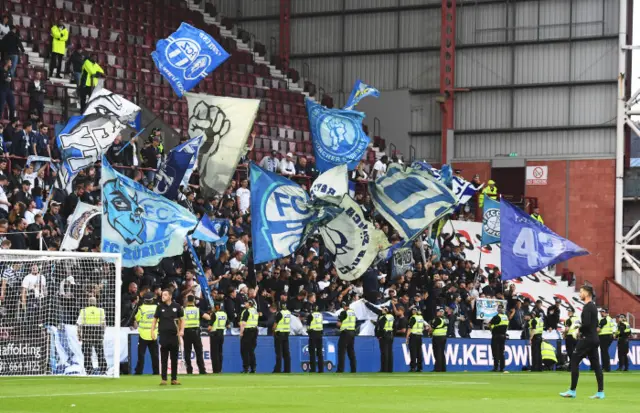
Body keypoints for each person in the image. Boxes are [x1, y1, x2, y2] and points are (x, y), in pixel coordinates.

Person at [560, 285, 604, 399]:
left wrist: (578, 330)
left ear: (587, 293)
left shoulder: (588, 307)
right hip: (594, 339)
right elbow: (593, 324)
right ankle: (600, 392)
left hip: (587, 339)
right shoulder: (593, 307)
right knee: (596, 365)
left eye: (581, 292)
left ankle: (572, 391)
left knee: (574, 360)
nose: (579, 294)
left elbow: (588, 323)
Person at [151, 289, 184, 385]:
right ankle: (164, 379)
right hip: (163, 336)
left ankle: (174, 379)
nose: (163, 296)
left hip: (174, 336)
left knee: (174, 359)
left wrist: (182, 330)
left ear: (170, 296)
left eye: (165, 295)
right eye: (162, 295)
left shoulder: (177, 306)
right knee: (164, 358)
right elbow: (154, 320)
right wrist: (152, 331)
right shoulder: (159, 307)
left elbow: (182, 320)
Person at [77, 296, 107, 375]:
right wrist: (103, 333)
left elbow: (79, 324)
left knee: (87, 353)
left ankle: (89, 370)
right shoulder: (101, 311)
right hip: (97, 331)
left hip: (87, 332)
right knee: (100, 352)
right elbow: (104, 323)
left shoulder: (83, 311)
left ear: (88, 303)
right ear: (96, 302)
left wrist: (79, 334)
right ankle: (103, 370)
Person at [134, 292, 159, 375]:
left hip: (143, 335)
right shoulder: (156, 307)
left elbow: (137, 318)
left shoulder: (141, 308)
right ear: (152, 300)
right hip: (153, 334)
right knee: (155, 356)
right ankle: (156, 372)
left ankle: (139, 372)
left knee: (141, 355)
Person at [182, 295, 206, 375]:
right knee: (199, 352)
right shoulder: (197, 310)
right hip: (196, 332)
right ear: (194, 300)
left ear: (187, 300)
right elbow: (208, 317)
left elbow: (179, 321)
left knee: (187, 352)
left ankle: (189, 370)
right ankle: (202, 370)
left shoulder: (183, 310)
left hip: (186, 332)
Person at [336, 301, 357, 373]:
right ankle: (353, 370)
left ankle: (340, 369)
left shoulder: (343, 312)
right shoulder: (353, 313)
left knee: (341, 351)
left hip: (345, 333)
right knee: (351, 352)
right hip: (352, 333)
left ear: (344, 306)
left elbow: (339, 324)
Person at [208, 302, 228, 374]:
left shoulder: (214, 314)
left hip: (214, 334)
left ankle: (215, 370)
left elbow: (209, 327)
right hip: (221, 334)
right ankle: (220, 369)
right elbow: (228, 325)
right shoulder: (224, 314)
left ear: (216, 307)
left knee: (214, 353)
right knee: (220, 352)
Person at [239, 299, 258, 373]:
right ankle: (253, 368)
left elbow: (243, 323)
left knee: (244, 350)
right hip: (254, 331)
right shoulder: (255, 311)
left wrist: (241, 333)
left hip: (247, 332)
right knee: (251, 351)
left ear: (249, 304)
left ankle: (246, 368)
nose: (244, 303)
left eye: (246, 302)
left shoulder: (247, 311)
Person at [489, 304, 509, 372]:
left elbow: (490, 324)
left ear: (498, 310)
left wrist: (492, 330)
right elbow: (506, 327)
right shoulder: (506, 317)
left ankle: (496, 367)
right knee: (501, 353)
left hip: (496, 336)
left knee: (495, 352)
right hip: (503, 336)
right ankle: (502, 368)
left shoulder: (496, 317)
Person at [406, 306, 427, 372]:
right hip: (419, 336)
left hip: (414, 336)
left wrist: (407, 337)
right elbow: (426, 326)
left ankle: (413, 368)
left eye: (414, 310)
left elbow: (409, 328)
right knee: (419, 352)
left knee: (413, 352)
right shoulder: (421, 318)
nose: (413, 311)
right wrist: (421, 330)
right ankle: (420, 368)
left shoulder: (413, 318)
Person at [272, 302, 291, 373]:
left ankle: (278, 369)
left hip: (279, 334)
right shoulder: (289, 313)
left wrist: (273, 331)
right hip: (286, 334)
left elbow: (275, 325)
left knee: (279, 353)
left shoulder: (280, 314)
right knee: (286, 353)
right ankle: (287, 369)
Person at [306, 304, 324, 373]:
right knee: (320, 353)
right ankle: (321, 369)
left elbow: (307, 326)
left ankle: (313, 369)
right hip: (320, 334)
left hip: (313, 334)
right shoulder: (320, 315)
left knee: (312, 353)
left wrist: (308, 331)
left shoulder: (311, 315)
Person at [376, 306, 394, 373]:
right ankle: (390, 369)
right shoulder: (391, 317)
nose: (382, 310)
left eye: (384, 309)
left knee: (384, 353)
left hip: (384, 335)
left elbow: (381, 327)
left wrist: (379, 336)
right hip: (390, 335)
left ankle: (384, 369)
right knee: (389, 352)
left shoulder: (383, 317)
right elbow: (394, 326)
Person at [597, 307, 615, 372]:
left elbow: (598, 330)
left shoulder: (604, 320)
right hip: (609, 336)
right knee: (605, 351)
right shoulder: (610, 319)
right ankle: (606, 367)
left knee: (604, 352)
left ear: (605, 312)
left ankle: (606, 368)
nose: (601, 313)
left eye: (602, 312)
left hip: (604, 336)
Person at [430, 306, 447, 372]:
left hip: (437, 337)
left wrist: (429, 330)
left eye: (438, 311)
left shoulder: (438, 319)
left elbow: (432, 329)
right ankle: (443, 368)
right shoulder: (445, 319)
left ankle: (438, 368)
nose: (437, 312)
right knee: (442, 353)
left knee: (437, 353)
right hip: (443, 337)